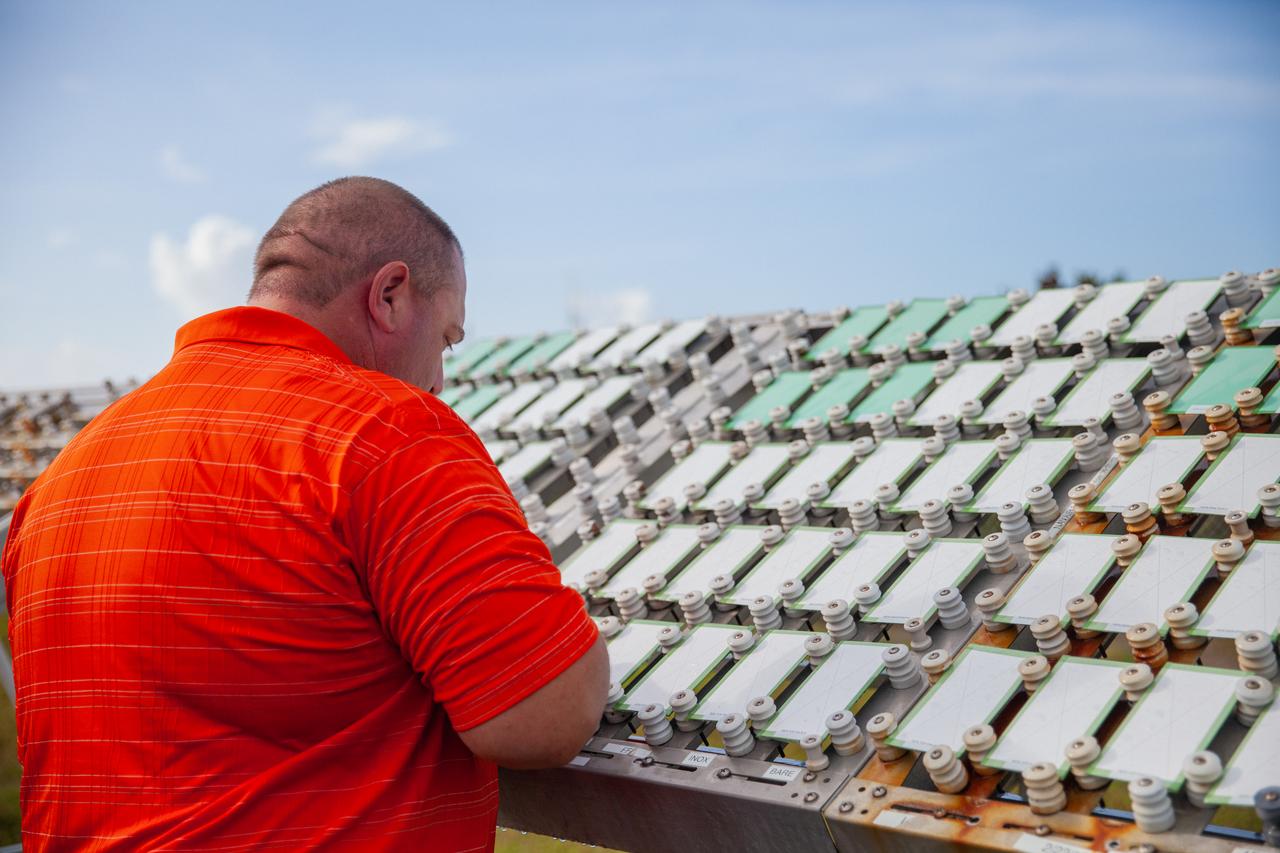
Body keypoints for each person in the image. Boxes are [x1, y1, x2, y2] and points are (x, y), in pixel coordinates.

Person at [1, 177, 607, 851]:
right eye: (447, 337)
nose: (439, 378)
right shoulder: (387, 429)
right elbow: (541, 714)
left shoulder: (64, 473)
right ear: (389, 294)